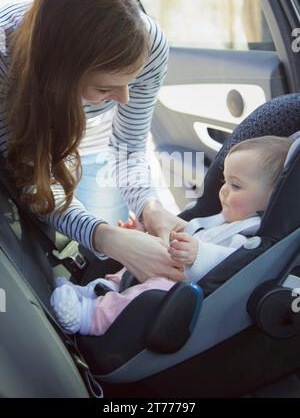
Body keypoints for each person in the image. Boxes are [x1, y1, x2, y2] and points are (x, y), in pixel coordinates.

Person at [0, 0, 185, 284]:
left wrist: (149, 206)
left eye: (132, 81)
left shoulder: (149, 45)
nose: (124, 99)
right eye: (105, 89)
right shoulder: (6, 73)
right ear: (62, 76)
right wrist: (104, 237)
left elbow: (128, 148)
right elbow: (35, 179)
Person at [51, 135, 292, 335]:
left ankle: (89, 318)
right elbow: (180, 236)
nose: (223, 190)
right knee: (132, 262)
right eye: (225, 181)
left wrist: (199, 253)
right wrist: (143, 234)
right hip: (170, 267)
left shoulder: (250, 234)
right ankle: (96, 290)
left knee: (153, 290)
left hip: (183, 288)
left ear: (274, 197)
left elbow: (234, 264)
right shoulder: (221, 221)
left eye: (236, 185)